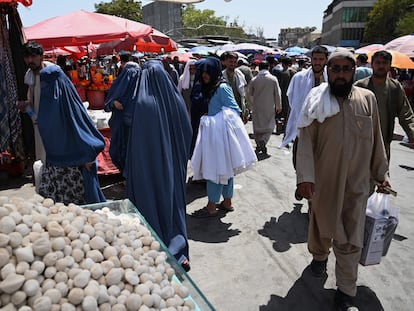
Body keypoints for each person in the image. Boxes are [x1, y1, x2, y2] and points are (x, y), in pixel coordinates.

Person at [295, 50, 390, 311]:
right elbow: (305, 142)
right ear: (327, 71)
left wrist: (382, 174)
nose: (340, 74)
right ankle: (319, 256)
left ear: (353, 72)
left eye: (345, 69)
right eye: (334, 69)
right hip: (324, 183)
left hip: (357, 185)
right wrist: (305, 178)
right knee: (320, 228)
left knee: (350, 239)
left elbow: (377, 140)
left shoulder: (367, 99)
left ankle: (346, 292)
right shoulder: (316, 100)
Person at [124, 60, 192, 270]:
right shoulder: (176, 98)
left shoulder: (141, 102)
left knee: (150, 202)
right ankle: (177, 249)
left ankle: (151, 248)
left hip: (147, 164)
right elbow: (188, 131)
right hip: (174, 164)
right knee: (172, 204)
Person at [190, 57, 257, 217]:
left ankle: (212, 204)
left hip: (220, 137)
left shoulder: (222, 88)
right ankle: (227, 202)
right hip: (215, 136)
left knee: (215, 168)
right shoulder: (210, 87)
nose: (205, 75)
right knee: (225, 169)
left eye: (207, 72)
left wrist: (213, 119)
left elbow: (235, 110)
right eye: (203, 72)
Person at [37, 65, 106, 205]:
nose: (46, 87)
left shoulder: (69, 104)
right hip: (54, 169)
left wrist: (88, 156)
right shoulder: (47, 104)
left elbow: (81, 129)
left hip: (74, 169)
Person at [354, 50, 414, 160]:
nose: (381, 66)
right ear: (372, 64)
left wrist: (411, 132)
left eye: (384, 63)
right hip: (361, 140)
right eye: (378, 62)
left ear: (390, 65)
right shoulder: (360, 86)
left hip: (384, 141)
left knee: (381, 173)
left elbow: (405, 112)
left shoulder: (394, 87)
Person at [281, 45, 329, 168]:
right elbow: (292, 101)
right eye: (315, 59)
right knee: (300, 165)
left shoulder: (331, 79)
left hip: (325, 129)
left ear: (326, 60)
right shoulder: (299, 78)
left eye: (321, 59)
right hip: (303, 127)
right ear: (311, 60)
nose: (317, 62)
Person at [17, 41, 54, 167]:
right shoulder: (29, 75)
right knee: (42, 159)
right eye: (27, 57)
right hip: (39, 125)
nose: (30, 60)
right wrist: (25, 106)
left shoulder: (51, 72)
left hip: (53, 124)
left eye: (33, 56)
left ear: (41, 56)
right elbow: (31, 101)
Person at [104, 61, 141, 173]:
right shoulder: (118, 85)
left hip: (136, 127)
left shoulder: (142, 88)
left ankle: (129, 176)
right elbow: (107, 104)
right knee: (117, 151)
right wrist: (113, 103)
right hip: (120, 125)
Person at [248, 61, 282, 154]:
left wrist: (252, 104)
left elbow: (249, 94)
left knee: (257, 126)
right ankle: (264, 140)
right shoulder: (273, 79)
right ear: (268, 68)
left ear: (259, 67)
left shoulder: (254, 80)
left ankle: (258, 144)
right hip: (269, 106)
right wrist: (278, 105)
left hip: (257, 106)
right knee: (269, 126)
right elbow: (277, 93)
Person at [221, 51, 248, 122]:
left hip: (238, 109)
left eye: (234, 62)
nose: (232, 64)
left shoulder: (240, 76)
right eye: (230, 61)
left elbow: (244, 95)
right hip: (225, 110)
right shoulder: (221, 76)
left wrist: (246, 112)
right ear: (225, 62)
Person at [274, 56, 297, 134]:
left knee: (282, 112)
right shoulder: (295, 72)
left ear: (283, 64)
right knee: (289, 112)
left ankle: (281, 127)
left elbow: (280, 85)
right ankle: (287, 127)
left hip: (284, 95)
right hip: (293, 95)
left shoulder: (282, 73)